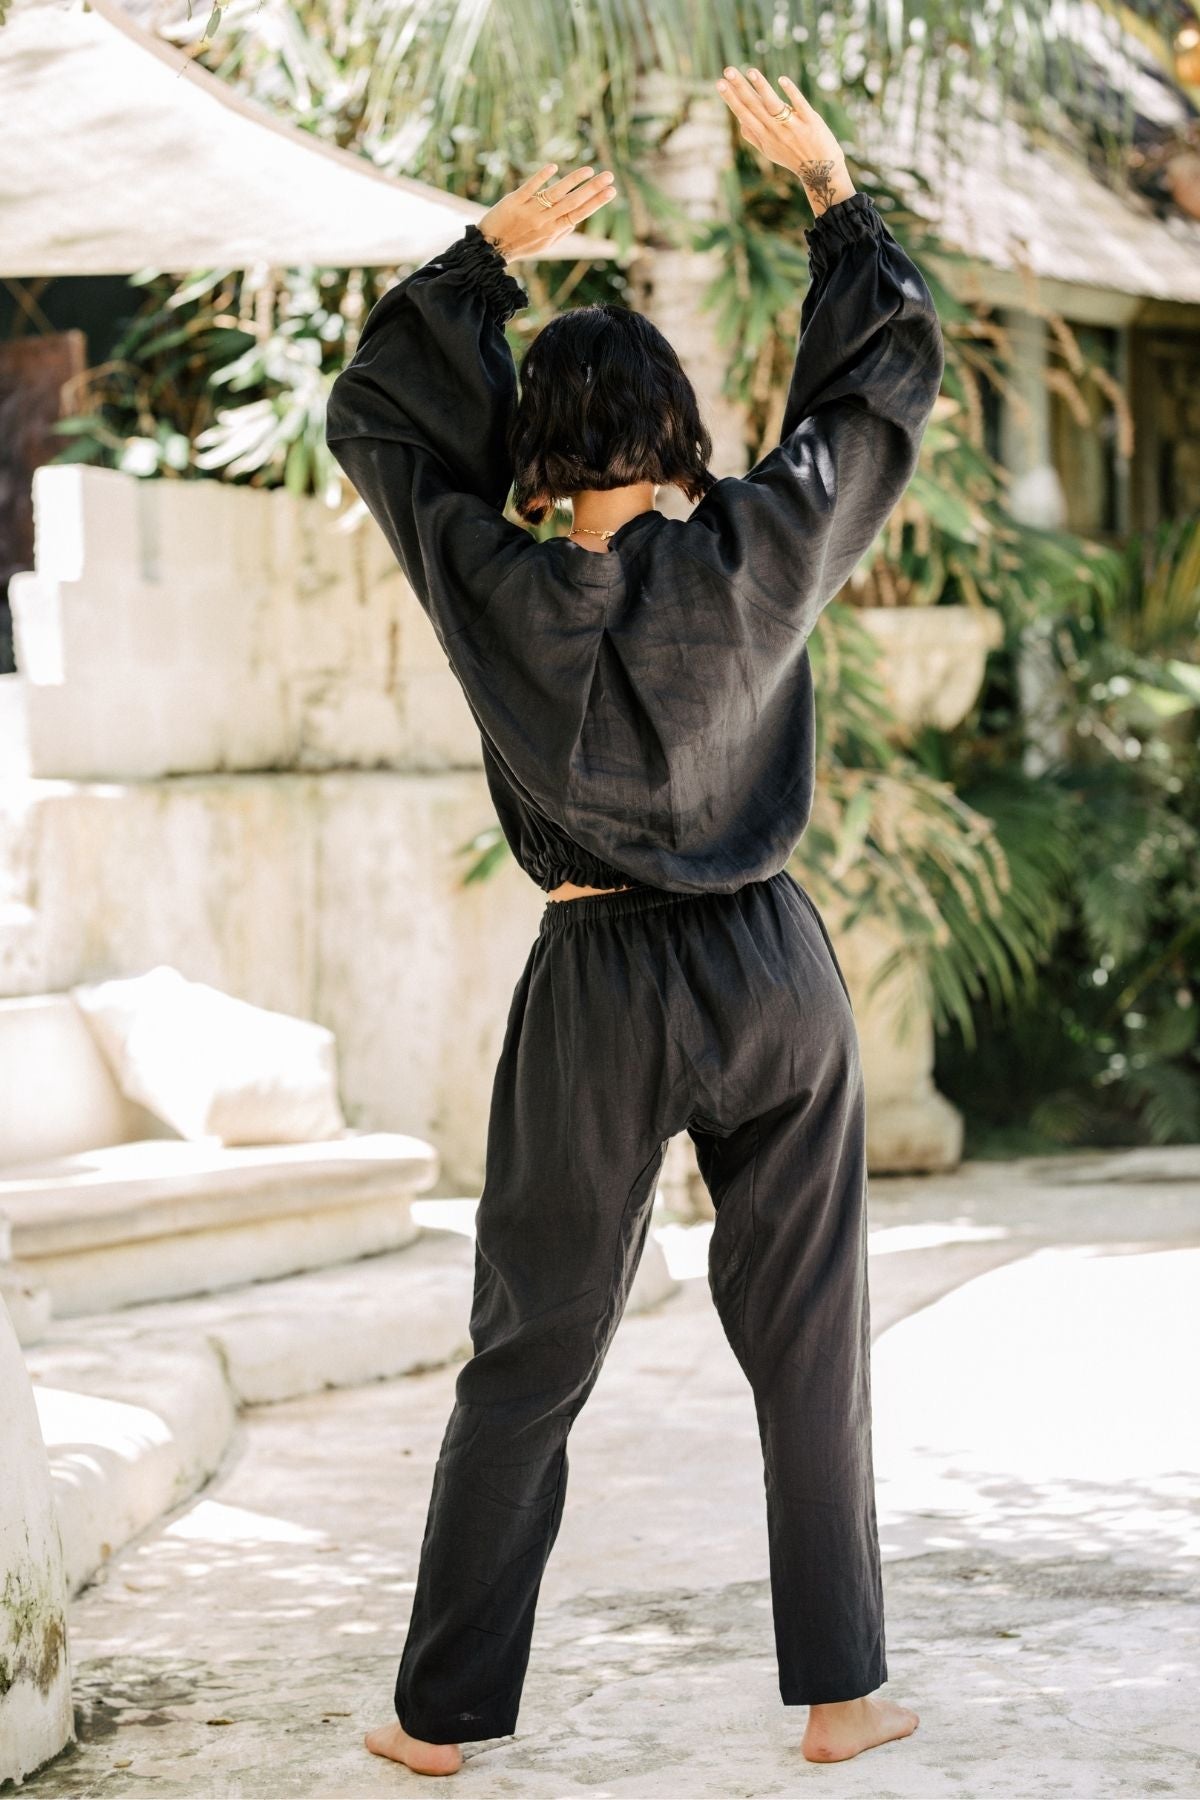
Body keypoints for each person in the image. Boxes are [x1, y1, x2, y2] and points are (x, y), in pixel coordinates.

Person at [325, 62, 944, 1777]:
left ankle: (439, 1724)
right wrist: (829, 197)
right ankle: (839, 1698)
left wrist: (476, 264)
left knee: (529, 1350)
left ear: (532, 455)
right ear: (677, 436)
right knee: (810, 1339)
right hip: (769, 966)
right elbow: (878, 392)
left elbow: (378, 427)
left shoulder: (493, 582)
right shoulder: (757, 550)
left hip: (594, 976)